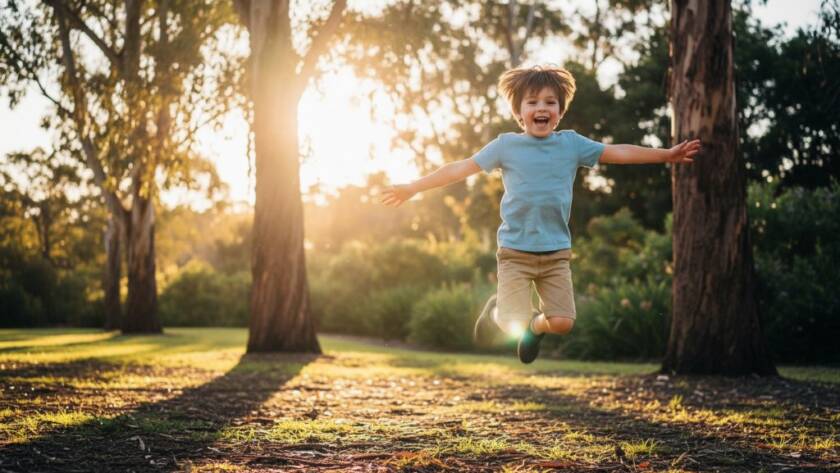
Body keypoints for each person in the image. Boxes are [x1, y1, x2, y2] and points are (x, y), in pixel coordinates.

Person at [381, 65, 700, 363]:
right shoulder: (505, 146)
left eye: (550, 102)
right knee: (510, 323)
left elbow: (617, 151)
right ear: (519, 113)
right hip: (515, 252)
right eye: (532, 102)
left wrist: (666, 155)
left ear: (560, 112)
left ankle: (535, 328)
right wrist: (414, 187)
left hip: (555, 253)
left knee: (562, 323)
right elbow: (459, 168)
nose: (541, 108)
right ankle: (496, 311)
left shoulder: (572, 145)